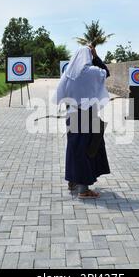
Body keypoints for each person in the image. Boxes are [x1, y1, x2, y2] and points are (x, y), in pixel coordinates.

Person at [54, 46, 111, 199]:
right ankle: (83, 189)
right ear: (88, 56)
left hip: (71, 114)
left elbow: (61, 93)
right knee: (86, 149)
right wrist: (96, 56)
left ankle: (73, 181)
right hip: (86, 115)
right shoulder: (92, 72)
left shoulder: (68, 74)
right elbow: (106, 72)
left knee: (74, 148)